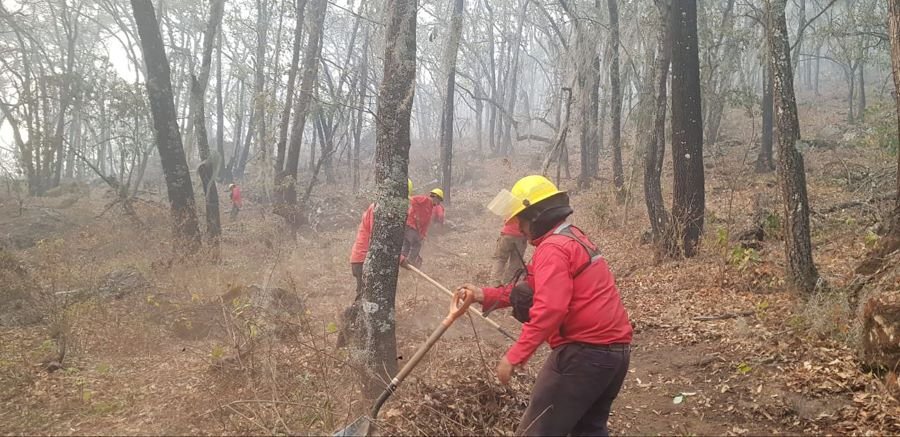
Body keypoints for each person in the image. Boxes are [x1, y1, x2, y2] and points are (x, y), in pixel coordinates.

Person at [456, 175, 632, 436]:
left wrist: (516, 355)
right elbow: (532, 288)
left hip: (582, 355)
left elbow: (550, 308)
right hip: (615, 355)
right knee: (588, 430)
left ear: (537, 216)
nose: (519, 228)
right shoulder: (573, 237)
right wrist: (484, 294)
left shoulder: (553, 249)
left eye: (522, 220)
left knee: (537, 431)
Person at [338, 178, 413, 347]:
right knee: (363, 300)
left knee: (369, 300)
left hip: (366, 260)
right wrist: (399, 259)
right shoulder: (378, 209)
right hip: (364, 260)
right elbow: (377, 238)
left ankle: (363, 338)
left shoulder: (384, 208)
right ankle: (344, 340)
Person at [401, 188, 443, 268]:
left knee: (407, 244)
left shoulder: (430, 208)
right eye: (438, 201)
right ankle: (410, 262)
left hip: (415, 228)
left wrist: (422, 235)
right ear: (435, 197)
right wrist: (416, 213)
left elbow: (425, 224)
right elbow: (413, 200)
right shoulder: (424, 199)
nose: (438, 204)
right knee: (416, 244)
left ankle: (402, 260)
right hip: (410, 225)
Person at [490, 216, 527, 286]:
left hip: (506, 235)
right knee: (515, 262)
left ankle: (495, 283)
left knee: (500, 259)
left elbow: (506, 220)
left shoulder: (511, 207)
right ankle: (508, 283)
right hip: (521, 237)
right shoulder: (527, 209)